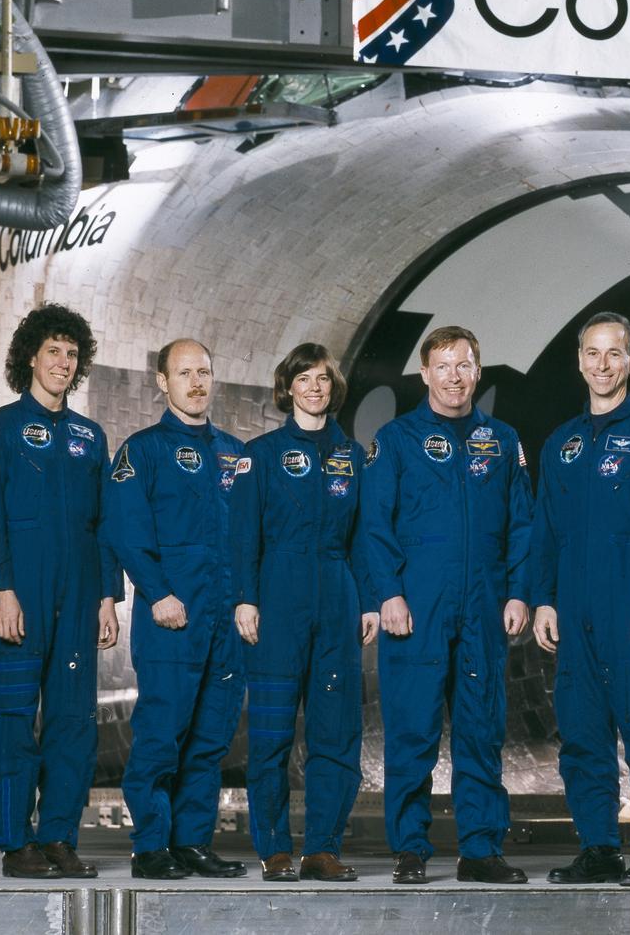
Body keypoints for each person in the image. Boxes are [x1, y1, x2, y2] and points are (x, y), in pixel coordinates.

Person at [359, 325, 533, 885]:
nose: (454, 376)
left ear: (478, 373)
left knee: (481, 728)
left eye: (465, 366)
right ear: (426, 373)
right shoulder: (397, 439)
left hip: (482, 604)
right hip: (416, 606)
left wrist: (519, 590)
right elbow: (373, 523)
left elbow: (522, 524)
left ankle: (480, 849)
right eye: (443, 365)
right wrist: (387, 592)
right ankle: (411, 848)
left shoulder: (502, 439)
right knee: (412, 729)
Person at [530, 312, 630, 887]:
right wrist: (543, 599)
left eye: (613, 354)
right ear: (579, 361)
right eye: (592, 354)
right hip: (573, 608)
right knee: (582, 735)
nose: (602, 365)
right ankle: (598, 847)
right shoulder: (560, 443)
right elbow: (544, 527)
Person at [0, 303, 119, 879]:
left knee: (73, 723)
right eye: (53, 350)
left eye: (72, 354)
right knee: (12, 718)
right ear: (31, 356)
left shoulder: (89, 436)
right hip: (21, 598)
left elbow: (104, 523)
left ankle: (58, 836)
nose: (62, 362)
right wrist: (2, 590)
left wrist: (107, 596)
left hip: (79, 597)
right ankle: (16, 844)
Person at [230, 344, 379, 882]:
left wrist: (368, 601)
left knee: (336, 733)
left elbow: (364, 535)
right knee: (270, 735)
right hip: (278, 596)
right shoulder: (261, 454)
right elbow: (243, 534)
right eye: (303, 378)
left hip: (338, 596)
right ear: (287, 388)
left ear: (332, 387)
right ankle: (273, 848)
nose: (314, 387)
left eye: (322, 378)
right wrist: (245, 598)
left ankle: (322, 848)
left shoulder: (353, 455)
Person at [103, 338, 249, 880]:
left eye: (204, 371)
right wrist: (158, 592)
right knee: (162, 736)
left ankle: (191, 843)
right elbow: (125, 531)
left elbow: (249, 537)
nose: (196, 382)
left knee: (211, 739)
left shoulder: (236, 453)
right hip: (172, 617)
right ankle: (150, 846)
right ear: (162, 382)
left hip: (224, 620)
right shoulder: (141, 451)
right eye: (183, 372)